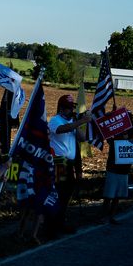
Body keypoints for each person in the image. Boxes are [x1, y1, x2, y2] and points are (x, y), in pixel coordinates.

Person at [46, 95, 89, 234]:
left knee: (66, 195)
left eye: (72, 107)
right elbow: (60, 130)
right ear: (61, 108)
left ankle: (60, 222)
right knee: (57, 194)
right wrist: (79, 121)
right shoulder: (55, 120)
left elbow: (82, 138)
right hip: (59, 163)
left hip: (70, 164)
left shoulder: (72, 122)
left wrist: (80, 123)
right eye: (68, 107)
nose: (71, 110)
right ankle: (51, 226)